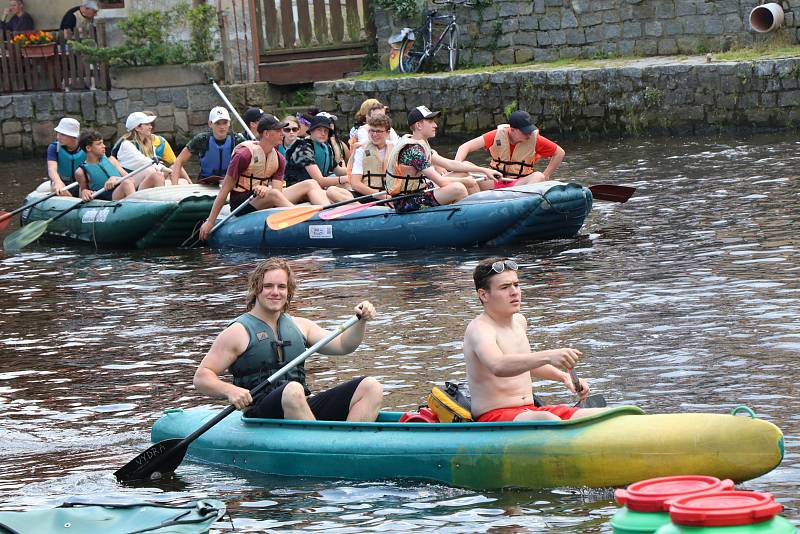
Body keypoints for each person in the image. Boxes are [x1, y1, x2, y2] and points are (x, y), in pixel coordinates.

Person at [193, 257, 383, 422]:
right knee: (292, 389)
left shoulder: (301, 326)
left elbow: (344, 345)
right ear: (256, 289)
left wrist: (360, 321)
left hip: (298, 403)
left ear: (288, 291)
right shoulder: (238, 331)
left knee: (371, 387)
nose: (275, 292)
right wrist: (230, 390)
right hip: (260, 412)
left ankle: (349, 448)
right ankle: (321, 446)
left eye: (281, 286)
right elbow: (202, 377)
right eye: (268, 286)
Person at [463, 257, 610, 422]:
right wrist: (549, 355)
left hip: (530, 411)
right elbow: (498, 366)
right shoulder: (479, 329)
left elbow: (526, 365)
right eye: (505, 287)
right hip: (493, 416)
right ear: (483, 295)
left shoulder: (519, 322)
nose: (514, 292)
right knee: (546, 418)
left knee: (600, 414)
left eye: (516, 285)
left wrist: (564, 377)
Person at [198, 115, 330, 242]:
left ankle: (330, 215)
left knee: (310, 183)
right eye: (278, 130)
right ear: (266, 134)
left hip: (266, 197)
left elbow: (278, 192)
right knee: (272, 193)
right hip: (242, 203)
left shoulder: (279, 159)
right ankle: (306, 220)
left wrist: (265, 189)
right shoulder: (243, 155)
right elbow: (224, 190)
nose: (282, 133)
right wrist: (210, 221)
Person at [385, 106, 501, 213]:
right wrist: (466, 181)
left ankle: (479, 210)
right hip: (406, 201)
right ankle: (464, 220)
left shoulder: (420, 143)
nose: (435, 125)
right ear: (419, 125)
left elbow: (451, 164)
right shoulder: (413, 151)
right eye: (430, 122)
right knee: (458, 188)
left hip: (421, 191)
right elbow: (441, 182)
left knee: (463, 173)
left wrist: (484, 170)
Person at [455, 110, 565, 190]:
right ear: (512, 130)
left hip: (519, 184)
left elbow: (559, 153)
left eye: (530, 130)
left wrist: (546, 175)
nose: (529, 134)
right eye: (524, 131)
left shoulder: (534, 139)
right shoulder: (496, 135)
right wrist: (456, 165)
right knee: (464, 165)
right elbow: (465, 147)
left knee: (539, 176)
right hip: (494, 181)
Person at [284, 115, 353, 203]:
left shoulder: (326, 147)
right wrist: (344, 179)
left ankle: (357, 205)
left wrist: (354, 173)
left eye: (326, 131)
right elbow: (320, 180)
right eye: (319, 130)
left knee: (346, 185)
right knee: (333, 189)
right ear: (311, 131)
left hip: (316, 187)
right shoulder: (304, 147)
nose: (323, 133)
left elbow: (339, 170)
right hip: (298, 189)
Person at [172, 106, 247, 185]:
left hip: (230, 183)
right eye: (217, 123)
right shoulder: (202, 139)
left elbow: (253, 159)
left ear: (229, 123)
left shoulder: (237, 140)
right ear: (210, 124)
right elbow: (179, 161)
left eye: (225, 122)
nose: (222, 127)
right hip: (206, 183)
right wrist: (174, 186)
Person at [74, 130, 136, 201]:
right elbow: (82, 192)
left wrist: (116, 178)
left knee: (128, 182)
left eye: (102, 143)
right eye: (99, 144)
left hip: (121, 191)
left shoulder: (111, 160)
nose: (103, 146)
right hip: (106, 200)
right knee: (126, 183)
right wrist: (84, 192)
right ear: (88, 148)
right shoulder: (80, 172)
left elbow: (131, 180)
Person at [110, 112, 166, 189]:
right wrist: (161, 167)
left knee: (174, 176)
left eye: (150, 124)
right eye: (147, 124)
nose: (150, 127)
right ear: (137, 128)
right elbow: (142, 161)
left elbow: (153, 161)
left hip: (140, 178)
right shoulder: (126, 144)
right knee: (151, 171)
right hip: (125, 182)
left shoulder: (147, 142)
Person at [348, 114, 392, 200]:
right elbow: (355, 183)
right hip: (367, 195)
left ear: (387, 133)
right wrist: (382, 197)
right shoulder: (361, 150)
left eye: (378, 131)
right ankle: (358, 207)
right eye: (372, 130)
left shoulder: (395, 149)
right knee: (332, 191)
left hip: (391, 196)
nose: (374, 134)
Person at [46, 118, 85, 197]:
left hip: (81, 182)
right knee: (56, 187)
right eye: (58, 133)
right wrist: (58, 182)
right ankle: (72, 200)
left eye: (62, 134)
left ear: (73, 136)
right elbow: (52, 169)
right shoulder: (54, 148)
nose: (58, 137)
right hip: (63, 183)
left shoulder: (86, 147)